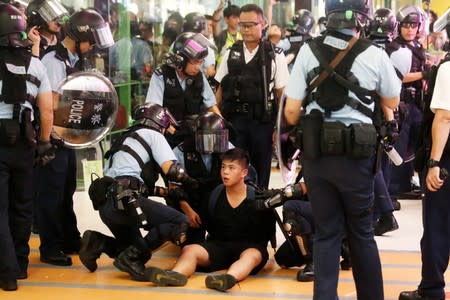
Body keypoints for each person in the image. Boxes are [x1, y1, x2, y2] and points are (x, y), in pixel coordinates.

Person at [283, 0, 401, 298]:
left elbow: (292, 113)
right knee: (361, 233)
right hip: (357, 159)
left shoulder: (308, 51)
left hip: (317, 157)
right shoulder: (374, 53)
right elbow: (392, 102)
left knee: (326, 233)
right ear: (362, 22)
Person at [80, 103, 195, 281]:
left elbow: (130, 179)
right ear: (160, 122)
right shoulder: (153, 135)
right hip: (127, 202)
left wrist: (164, 192)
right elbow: (172, 170)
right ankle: (130, 259)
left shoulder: (125, 137)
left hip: (109, 205)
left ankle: (97, 242)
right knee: (179, 221)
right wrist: (191, 182)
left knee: (139, 249)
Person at [35, 8, 114, 266]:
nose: (91, 48)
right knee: (51, 194)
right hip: (53, 140)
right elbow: (52, 104)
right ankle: (50, 246)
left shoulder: (77, 62)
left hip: (68, 140)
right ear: (78, 37)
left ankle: (69, 237)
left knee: (66, 190)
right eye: (90, 42)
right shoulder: (52, 61)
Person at [144, 148, 275, 292]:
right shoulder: (215, 195)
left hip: (249, 247)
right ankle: (176, 275)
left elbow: (267, 232)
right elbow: (203, 224)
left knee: (252, 255)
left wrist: (259, 249)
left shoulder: (257, 198)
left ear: (244, 172)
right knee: (190, 250)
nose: (225, 172)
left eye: (231, 168)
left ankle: (228, 279)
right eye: (223, 167)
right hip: (219, 246)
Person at [0, 3, 53, 291]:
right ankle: (20, 266)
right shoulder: (36, 63)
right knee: (22, 206)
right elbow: (47, 111)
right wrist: (44, 143)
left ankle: (6, 274)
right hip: (26, 140)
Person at [215, 4, 289, 189]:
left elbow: (282, 95)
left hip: (261, 124)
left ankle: (259, 211)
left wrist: (279, 129)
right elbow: (220, 90)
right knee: (233, 170)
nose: (246, 29)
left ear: (262, 24)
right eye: (242, 25)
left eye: (251, 25)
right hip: (235, 123)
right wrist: (217, 120)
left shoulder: (275, 55)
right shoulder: (231, 53)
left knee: (260, 174)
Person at [398, 56, 450, 300]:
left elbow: (445, 117)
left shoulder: (448, 69)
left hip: (447, 160)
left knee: (437, 227)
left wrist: (434, 163)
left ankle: (431, 289)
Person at [145, 32, 220, 148]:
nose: (198, 67)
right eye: (194, 62)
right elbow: (154, 109)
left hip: (193, 134)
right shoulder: (161, 75)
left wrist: (221, 123)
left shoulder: (199, 76)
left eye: (200, 62)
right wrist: (173, 131)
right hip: (168, 135)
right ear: (179, 60)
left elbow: (211, 105)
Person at [385, 4, 429, 200]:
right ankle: (396, 186)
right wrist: (424, 73)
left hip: (417, 103)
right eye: (406, 25)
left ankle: (407, 180)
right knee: (400, 144)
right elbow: (398, 77)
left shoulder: (418, 46)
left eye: (414, 25)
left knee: (415, 144)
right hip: (401, 103)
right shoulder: (394, 48)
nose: (410, 29)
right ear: (399, 26)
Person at [170, 112, 231, 245]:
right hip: (192, 201)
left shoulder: (227, 146)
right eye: (207, 139)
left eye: (215, 138)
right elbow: (174, 187)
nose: (211, 143)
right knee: (192, 244)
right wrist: (188, 212)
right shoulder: (180, 152)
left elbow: (242, 173)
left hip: (218, 198)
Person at [212, 1, 241, 66]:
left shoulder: (242, 36)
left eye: (239, 17)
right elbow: (215, 22)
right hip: (221, 74)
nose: (238, 20)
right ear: (226, 19)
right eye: (234, 17)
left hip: (237, 73)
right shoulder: (222, 35)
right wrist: (222, 5)